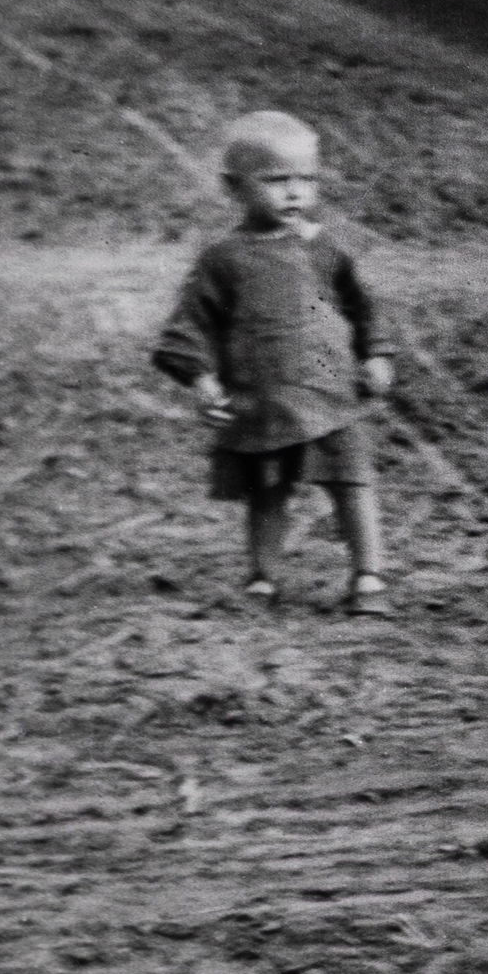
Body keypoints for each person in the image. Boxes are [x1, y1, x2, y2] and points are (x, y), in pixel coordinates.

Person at [152, 111, 395, 613]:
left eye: (306, 179)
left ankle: (369, 576)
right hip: (264, 397)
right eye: (277, 180)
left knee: (352, 481)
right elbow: (191, 323)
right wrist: (202, 379)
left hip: (331, 391)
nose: (295, 193)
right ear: (234, 187)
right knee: (268, 491)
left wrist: (375, 353)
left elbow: (363, 306)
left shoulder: (326, 249)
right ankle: (263, 576)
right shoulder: (223, 259)